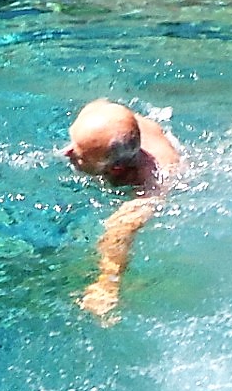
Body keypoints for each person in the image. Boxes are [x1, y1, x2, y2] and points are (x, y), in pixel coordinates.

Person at [63, 99, 182, 321]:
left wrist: (106, 284)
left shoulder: (151, 184)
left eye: (78, 155)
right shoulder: (105, 116)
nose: (66, 153)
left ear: (116, 169)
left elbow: (119, 232)